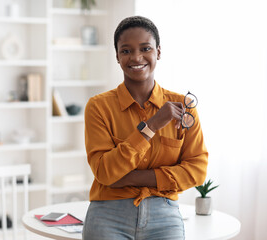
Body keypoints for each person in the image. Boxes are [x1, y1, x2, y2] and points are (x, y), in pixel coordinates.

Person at [82, 16, 208, 240]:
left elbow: (197, 170)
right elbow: (104, 172)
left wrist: (129, 178)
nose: (136, 57)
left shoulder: (184, 107)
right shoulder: (99, 107)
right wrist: (152, 126)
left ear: (158, 52)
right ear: (118, 57)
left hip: (164, 213)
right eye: (126, 51)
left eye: (145, 48)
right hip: (108, 213)